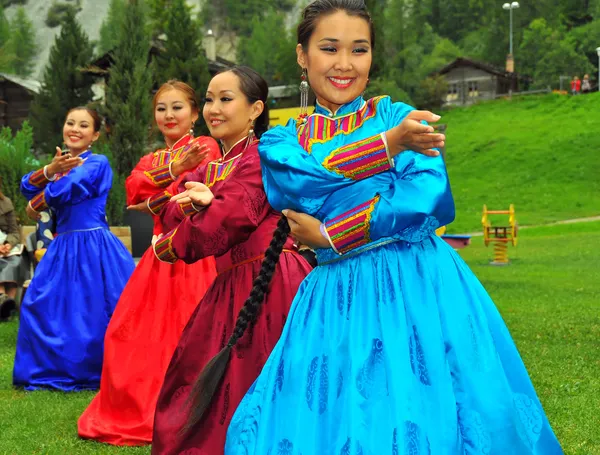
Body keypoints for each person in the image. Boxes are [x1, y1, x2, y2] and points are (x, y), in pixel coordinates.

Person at [224, 1, 563, 454]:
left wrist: (330, 235)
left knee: (426, 407)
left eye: (359, 50)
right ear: (303, 56)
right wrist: (388, 147)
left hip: (419, 287)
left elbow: (427, 200)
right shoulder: (283, 141)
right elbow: (300, 182)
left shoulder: (400, 116)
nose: (345, 64)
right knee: (335, 412)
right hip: (333, 300)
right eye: (329, 48)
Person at [150, 66, 313, 455]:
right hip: (230, 285)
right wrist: (197, 204)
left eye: (226, 99)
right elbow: (169, 209)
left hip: (273, 281)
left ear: (255, 108)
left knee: (259, 378)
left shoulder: (266, 155)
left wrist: (170, 242)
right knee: (196, 379)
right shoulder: (209, 166)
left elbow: (232, 216)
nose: (213, 109)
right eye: (209, 99)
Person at [78, 81, 220, 445]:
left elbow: (190, 186)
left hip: (194, 258)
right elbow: (134, 190)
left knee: (188, 334)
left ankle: (189, 411)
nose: (169, 115)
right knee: (128, 335)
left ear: (193, 112)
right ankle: (142, 406)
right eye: (161, 108)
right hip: (157, 260)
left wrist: (160, 190)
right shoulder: (151, 157)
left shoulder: (207, 145)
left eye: (177, 107)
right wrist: (173, 171)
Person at [14, 107, 135, 391]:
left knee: (92, 308)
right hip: (63, 245)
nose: (75, 129)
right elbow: (24, 186)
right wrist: (49, 170)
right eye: (70, 123)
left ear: (94, 135)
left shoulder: (97, 162)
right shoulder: (59, 167)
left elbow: (69, 188)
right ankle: (54, 368)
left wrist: (36, 202)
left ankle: (96, 368)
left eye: (84, 125)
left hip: (94, 245)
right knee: (41, 304)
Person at [0, 176, 26, 321]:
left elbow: (14, 232)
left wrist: (9, 244)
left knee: (17, 261)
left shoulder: (6, 203)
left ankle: (8, 303)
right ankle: (2, 299)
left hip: (6, 246)